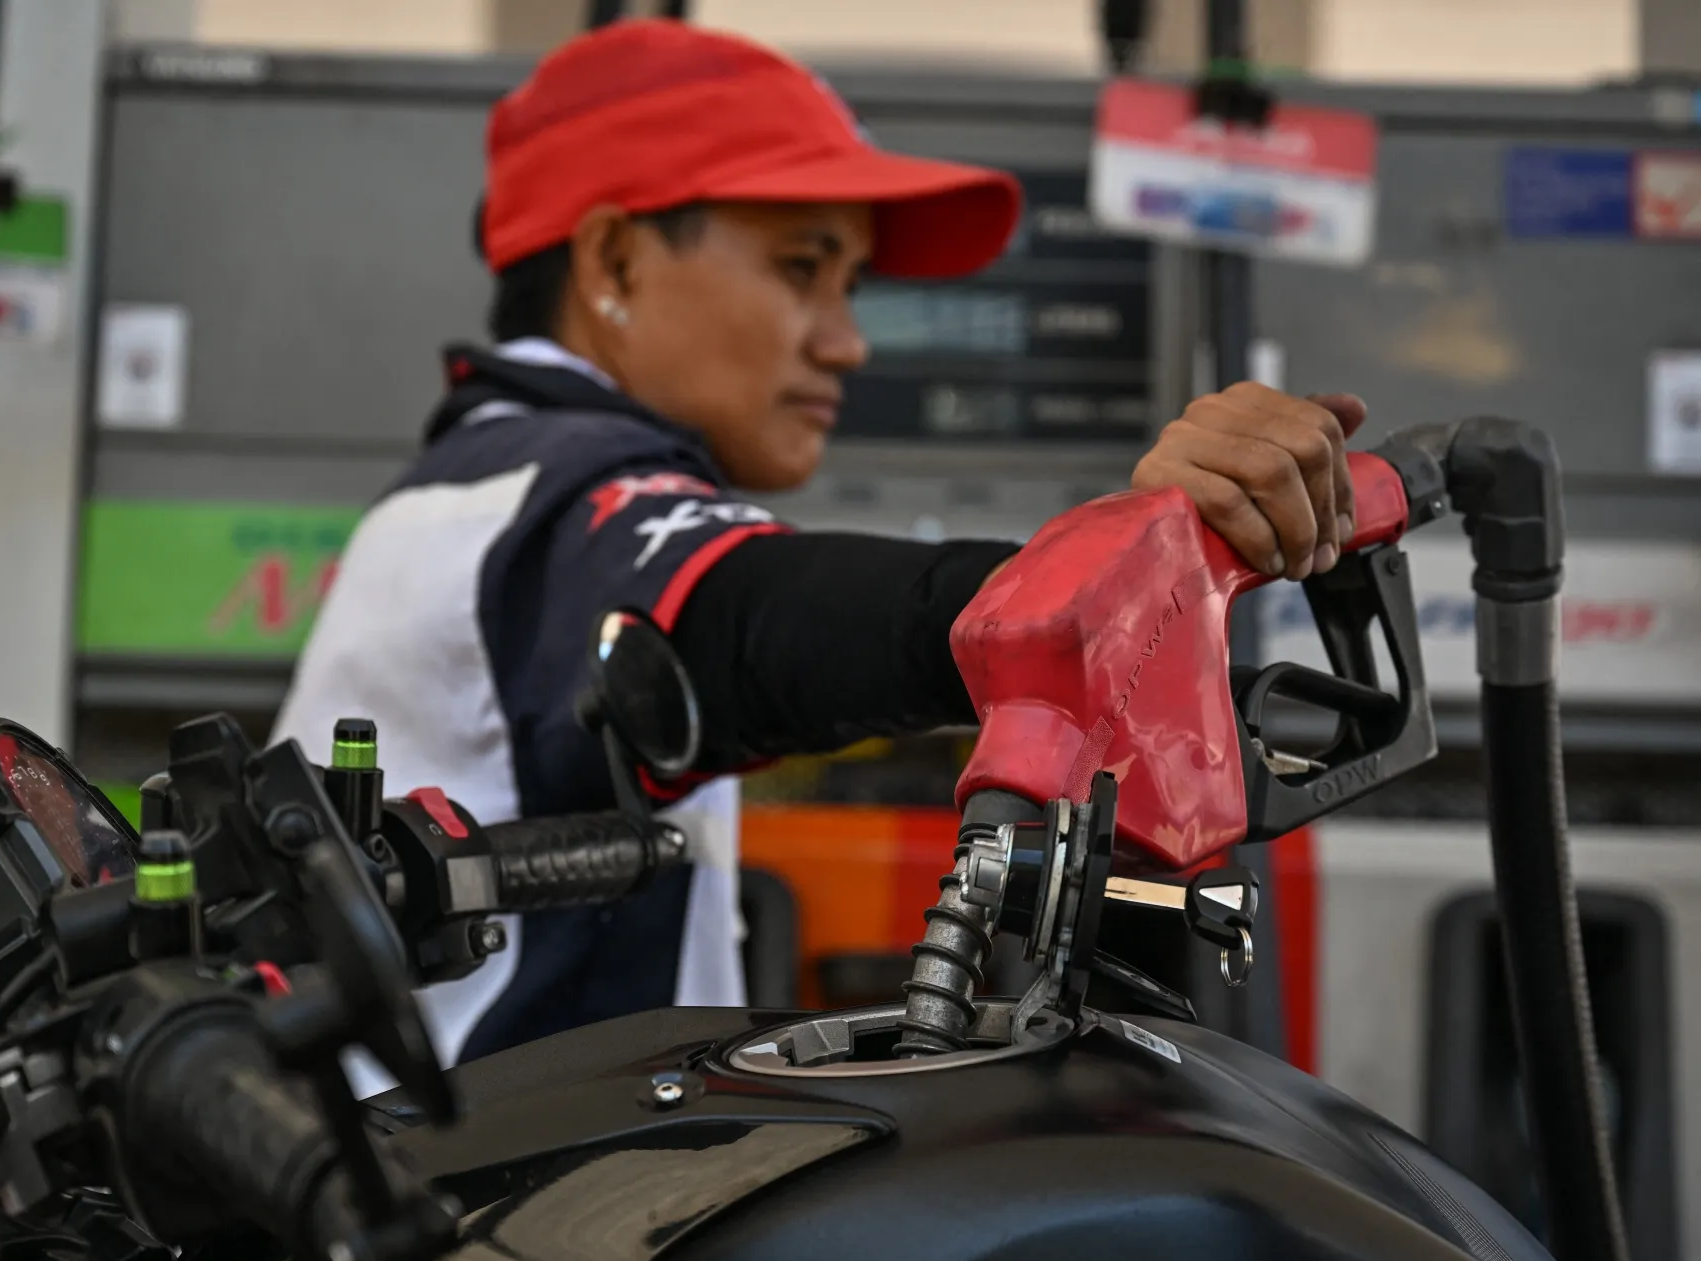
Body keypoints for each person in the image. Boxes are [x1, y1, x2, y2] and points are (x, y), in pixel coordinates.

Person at [272, 18, 1366, 1084]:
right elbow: (755, 625)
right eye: (803, 269)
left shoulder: (477, 488)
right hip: (439, 1224)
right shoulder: (551, 497)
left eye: (848, 286)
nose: (844, 342)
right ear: (612, 258)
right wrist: (1093, 585)